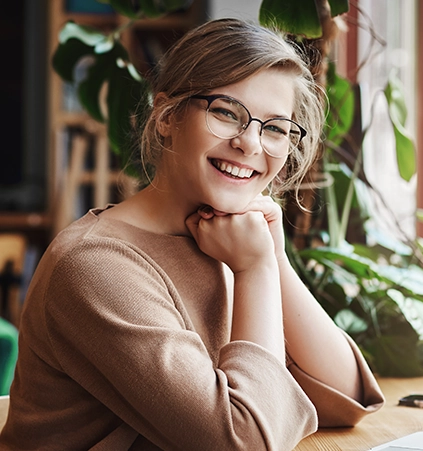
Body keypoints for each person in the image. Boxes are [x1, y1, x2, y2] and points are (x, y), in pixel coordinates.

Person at [0, 18, 384, 451]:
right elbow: (244, 441)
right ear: (167, 115)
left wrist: (273, 259)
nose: (251, 144)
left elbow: (346, 397)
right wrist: (256, 268)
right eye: (226, 112)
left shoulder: (229, 240)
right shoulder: (95, 265)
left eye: (275, 127)